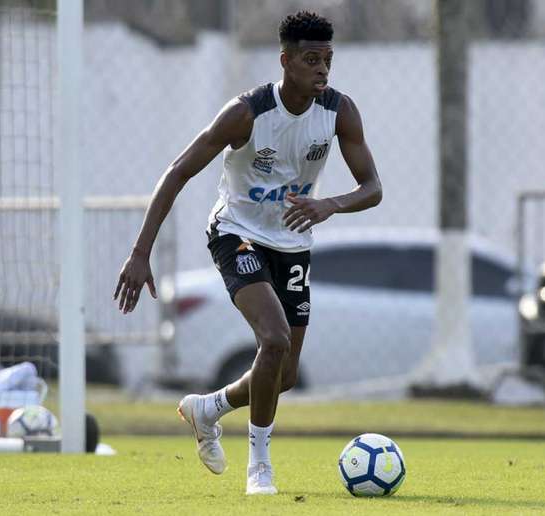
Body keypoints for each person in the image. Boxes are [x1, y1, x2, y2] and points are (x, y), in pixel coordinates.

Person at [113, 11, 382, 495]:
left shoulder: (340, 112)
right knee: (273, 339)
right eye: (311, 59)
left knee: (285, 375)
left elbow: (373, 187)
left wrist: (329, 204)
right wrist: (139, 252)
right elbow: (177, 172)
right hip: (235, 232)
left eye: (328, 60)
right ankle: (260, 465)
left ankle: (208, 409)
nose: (322, 69)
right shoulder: (247, 113)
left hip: (293, 244)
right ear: (286, 61)